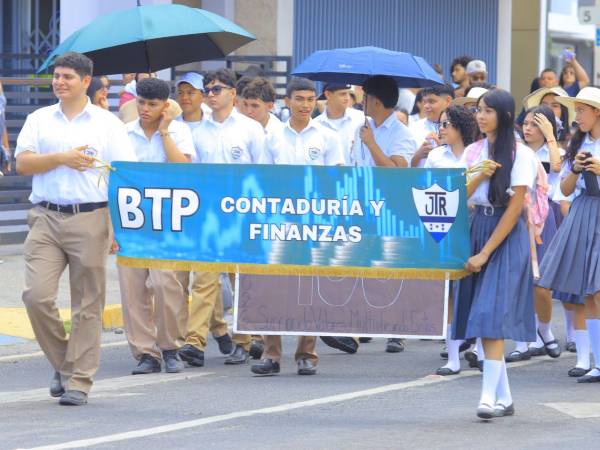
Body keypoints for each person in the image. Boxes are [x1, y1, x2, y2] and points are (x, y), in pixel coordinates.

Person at [15, 52, 137, 406]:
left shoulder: (107, 124)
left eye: (68, 76)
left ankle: (79, 381)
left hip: (92, 217)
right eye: (57, 76)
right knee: (36, 296)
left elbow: (123, 175)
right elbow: (23, 163)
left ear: (86, 82)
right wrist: (62, 158)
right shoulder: (39, 119)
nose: (59, 82)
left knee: (88, 303)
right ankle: (65, 363)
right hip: (45, 217)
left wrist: (117, 225)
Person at [453, 89, 538, 419]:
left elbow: (516, 207)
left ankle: (487, 398)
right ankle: (503, 397)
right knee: (484, 316)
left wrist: (486, 252)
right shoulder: (474, 150)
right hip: (477, 226)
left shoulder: (522, 154)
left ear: (503, 115)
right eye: (478, 110)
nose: (480, 116)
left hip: (505, 236)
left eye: (487, 110)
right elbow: (460, 196)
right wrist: (479, 175)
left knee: (490, 316)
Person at [252, 77, 345, 376]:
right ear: (287, 101)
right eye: (299, 99)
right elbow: (262, 179)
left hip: (315, 223)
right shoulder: (273, 137)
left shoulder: (328, 136)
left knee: (310, 286)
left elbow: (338, 178)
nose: (305, 105)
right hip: (278, 221)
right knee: (272, 285)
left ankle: (307, 352)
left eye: (309, 99)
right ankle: (271, 353)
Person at [182, 69, 265, 366]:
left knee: (241, 279)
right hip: (208, 215)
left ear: (233, 93)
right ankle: (194, 341)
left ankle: (245, 339)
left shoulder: (250, 129)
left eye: (217, 89)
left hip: (242, 214)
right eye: (208, 90)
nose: (211, 94)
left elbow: (262, 172)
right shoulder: (197, 131)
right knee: (203, 280)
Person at [118, 77, 195, 376]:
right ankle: (144, 352)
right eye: (141, 103)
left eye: (152, 104)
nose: (145, 109)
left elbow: (183, 168)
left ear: (166, 105)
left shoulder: (180, 131)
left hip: (168, 219)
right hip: (132, 219)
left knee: (166, 283)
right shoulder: (124, 133)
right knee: (133, 288)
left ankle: (170, 346)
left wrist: (164, 133)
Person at [538, 87, 600, 383]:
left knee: (598, 291)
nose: (578, 117)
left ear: (597, 111)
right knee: (588, 292)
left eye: (582, 111)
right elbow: (562, 190)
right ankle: (595, 362)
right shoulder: (579, 143)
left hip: (594, 212)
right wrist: (575, 168)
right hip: (583, 212)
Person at [506, 105, 565, 363]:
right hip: (517, 214)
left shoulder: (556, 151)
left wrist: (551, 135)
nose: (528, 129)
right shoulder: (515, 151)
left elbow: (556, 168)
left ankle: (544, 329)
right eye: (526, 124)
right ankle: (522, 341)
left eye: (535, 124)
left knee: (542, 284)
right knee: (520, 281)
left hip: (544, 217)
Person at [425, 105, 478, 375]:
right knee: (449, 290)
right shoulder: (435, 156)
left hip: (476, 221)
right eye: (439, 125)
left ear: (460, 127)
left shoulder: (478, 152)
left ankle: (479, 348)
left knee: (478, 285)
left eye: (446, 124)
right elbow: (427, 190)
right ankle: (453, 355)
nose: (441, 129)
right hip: (446, 224)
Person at [314, 83, 364, 165]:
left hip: (355, 176)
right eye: (343, 94)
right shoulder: (315, 125)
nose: (347, 98)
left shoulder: (361, 119)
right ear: (328, 94)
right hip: (327, 176)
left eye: (348, 94)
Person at [410, 84, 455, 167]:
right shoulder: (413, 128)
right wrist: (418, 155)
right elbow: (403, 168)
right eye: (424, 102)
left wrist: (443, 148)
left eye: (431, 101)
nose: (426, 106)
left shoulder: (458, 128)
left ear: (448, 101)